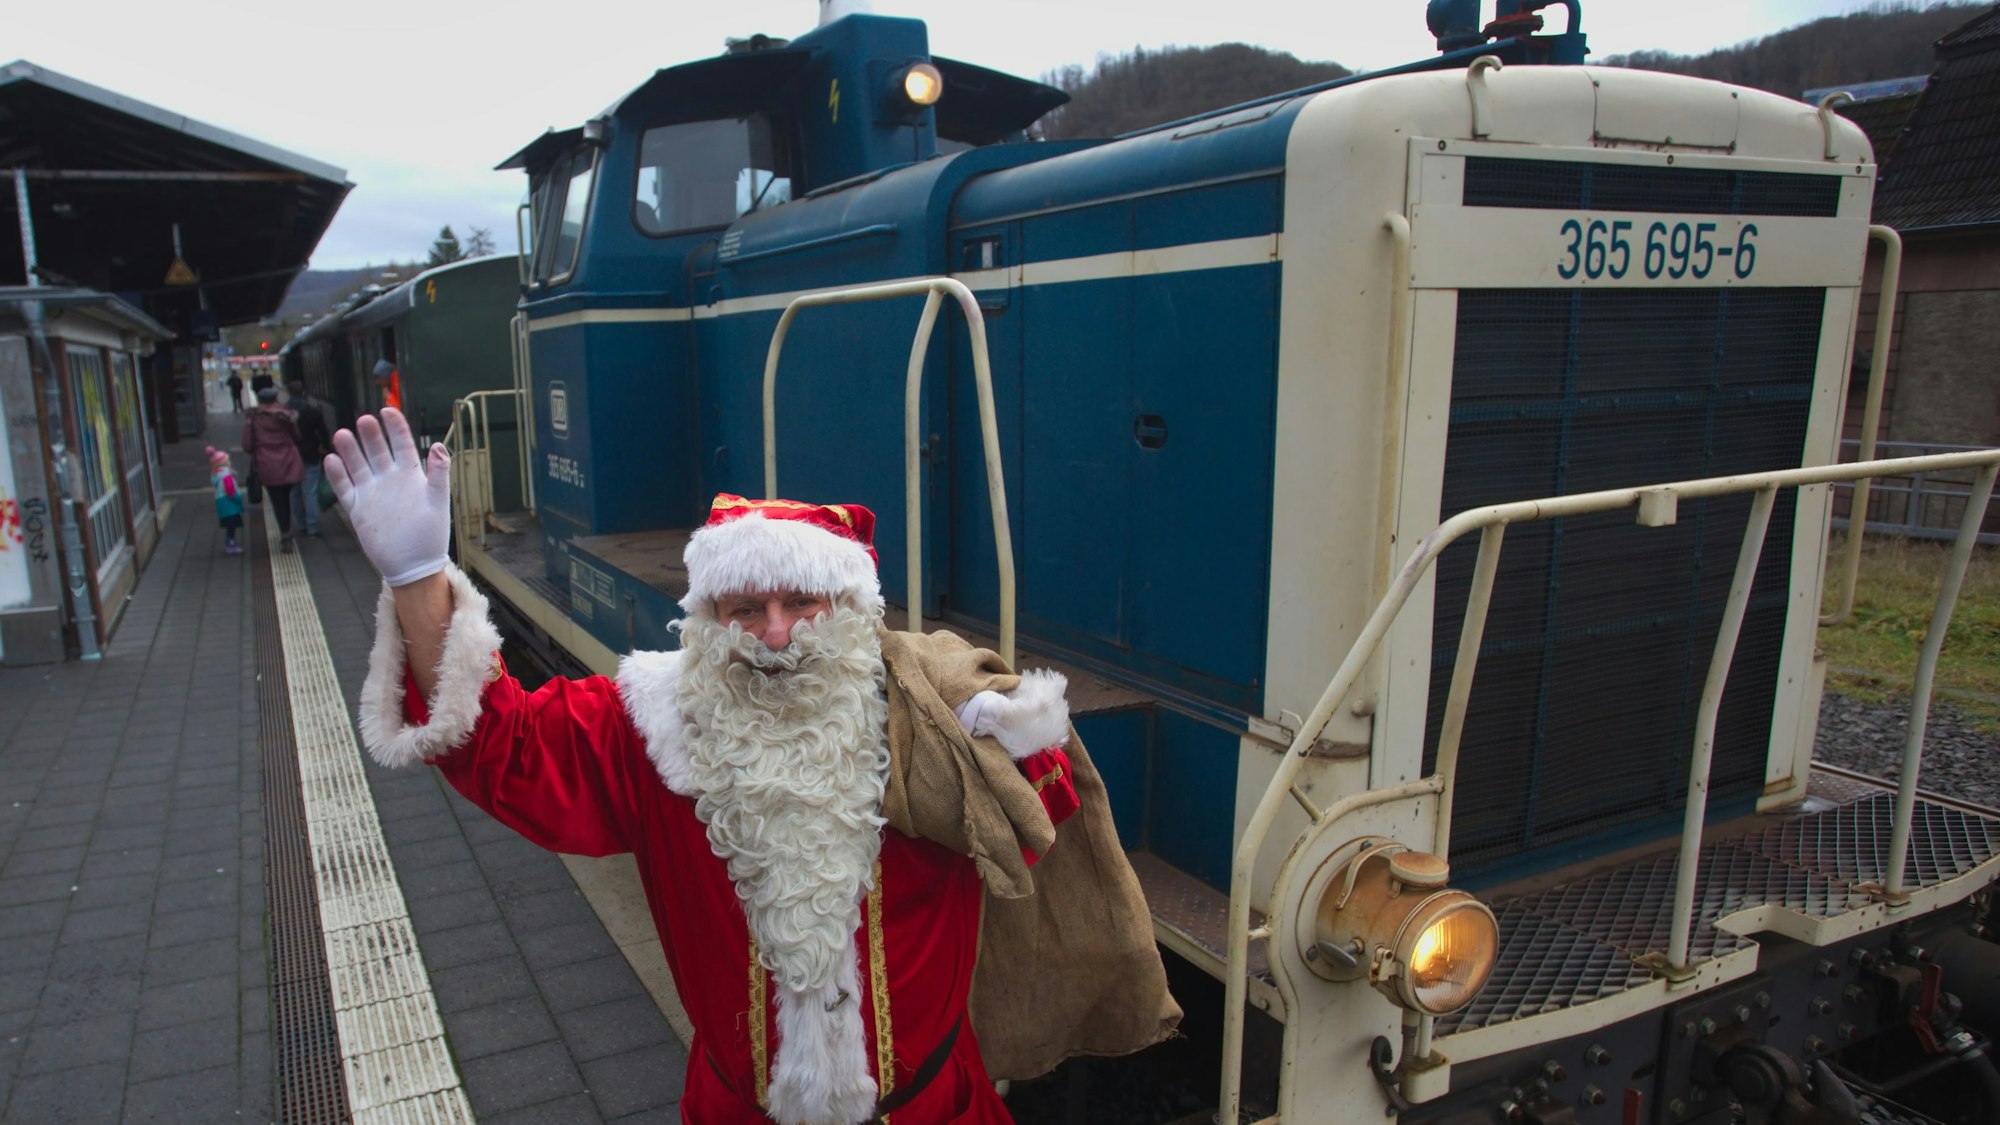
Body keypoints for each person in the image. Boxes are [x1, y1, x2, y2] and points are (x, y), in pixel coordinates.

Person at [331, 409, 1177, 1125]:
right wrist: (417, 577)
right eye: (745, 606)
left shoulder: (930, 713)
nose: (776, 633)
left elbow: (1038, 829)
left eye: (802, 602)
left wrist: (1011, 735)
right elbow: (496, 739)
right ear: (708, 615)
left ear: (847, 608)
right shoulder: (649, 722)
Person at [243, 387, 305, 552]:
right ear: (276, 398)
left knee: (277, 499)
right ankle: (288, 527)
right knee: (286, 496)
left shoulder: (253, 418)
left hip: (267, 463)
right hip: (289, 460)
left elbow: (248, 445)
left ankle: (285, 531)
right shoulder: (287, 416)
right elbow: (297, 437)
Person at [287, 380, 333, 538]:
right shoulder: (312, 411)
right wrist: (325, 447)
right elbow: (323, 432)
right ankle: (313, 527)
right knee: (310, 491)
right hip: (310, 454)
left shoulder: (283, 412)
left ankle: (300, 524)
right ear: (303, 393)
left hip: (289, 455)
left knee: (294, 492)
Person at [208, 446, 245, 555]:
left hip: (222, 504)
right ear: (222, 463)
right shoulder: (226, 476)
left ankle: (230, 543)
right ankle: (231, 545)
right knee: (231, 527)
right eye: (227, 460)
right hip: (230, 506)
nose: (229, 462)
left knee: (230, 526)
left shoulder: (216, 474)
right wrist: (238, 499)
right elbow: (230, 491)